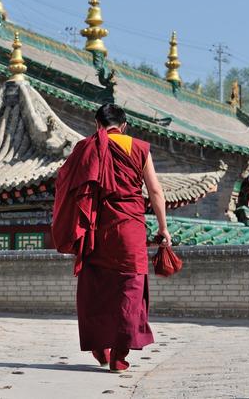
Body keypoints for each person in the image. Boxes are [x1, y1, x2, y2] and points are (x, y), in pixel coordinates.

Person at [52, 103, 171, 373]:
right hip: (130, 230)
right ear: (124, 125)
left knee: (95, 289)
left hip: (96, 229)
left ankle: (99, 348)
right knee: (130, 289)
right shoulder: (139, 148)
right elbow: (155, 191)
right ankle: (119, 356)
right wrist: (163, 228)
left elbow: (65, 184)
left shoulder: (86, 148)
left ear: (97, 125)